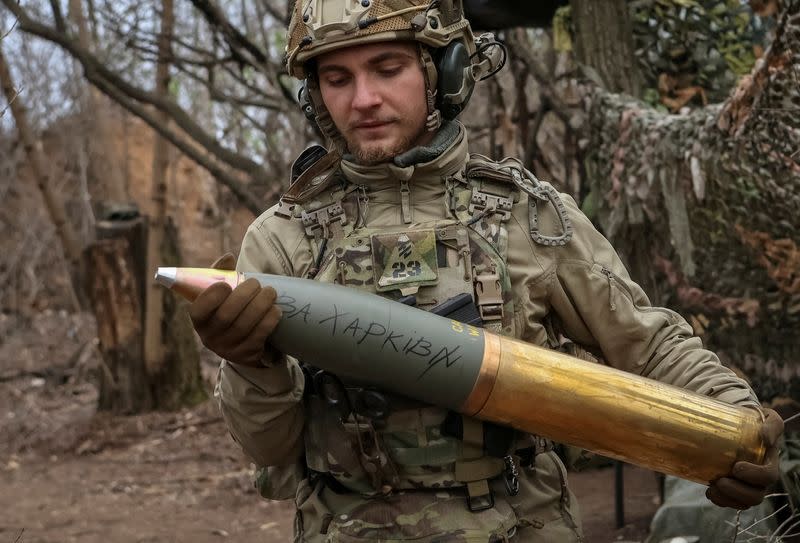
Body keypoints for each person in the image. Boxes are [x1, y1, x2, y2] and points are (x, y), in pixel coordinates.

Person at [188, 1, 783, 541]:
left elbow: (646, 344)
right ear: (315, 95)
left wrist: (737, 422)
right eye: (337, 79)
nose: (362, 99)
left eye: (387, 67)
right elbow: (268, 444)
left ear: (441, 70)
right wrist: (251, 364)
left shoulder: (529, 214)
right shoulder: (282, 238)